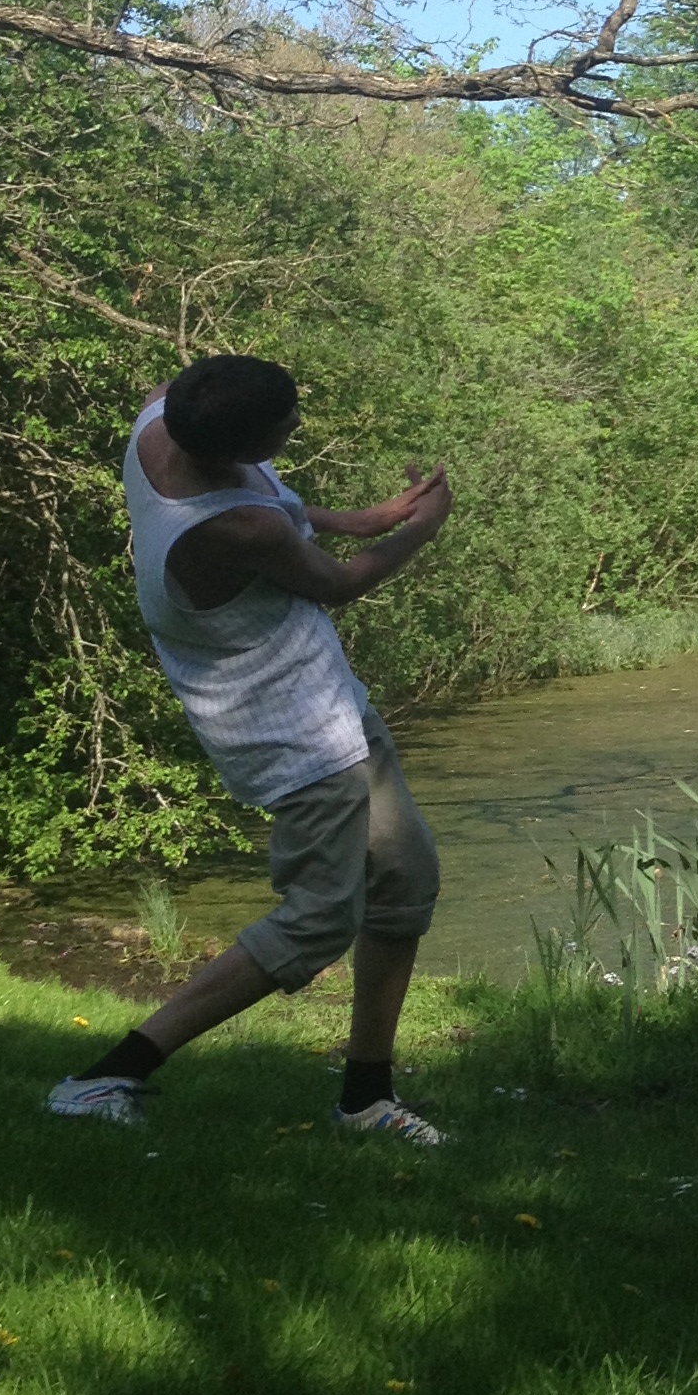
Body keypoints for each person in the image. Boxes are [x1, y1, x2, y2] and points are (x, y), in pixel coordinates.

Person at [47, 353, 455, 1144]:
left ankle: (365, 1099)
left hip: (331, 708)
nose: (296, 425)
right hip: (293, 735)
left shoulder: (163, 413)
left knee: (404, 882)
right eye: (286, 424)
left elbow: (279, 509)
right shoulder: (232, 526)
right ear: (243, 445)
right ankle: (106, 1075)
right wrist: (422, 530)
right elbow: (334, 584)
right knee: (315, 922)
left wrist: (365, 516)